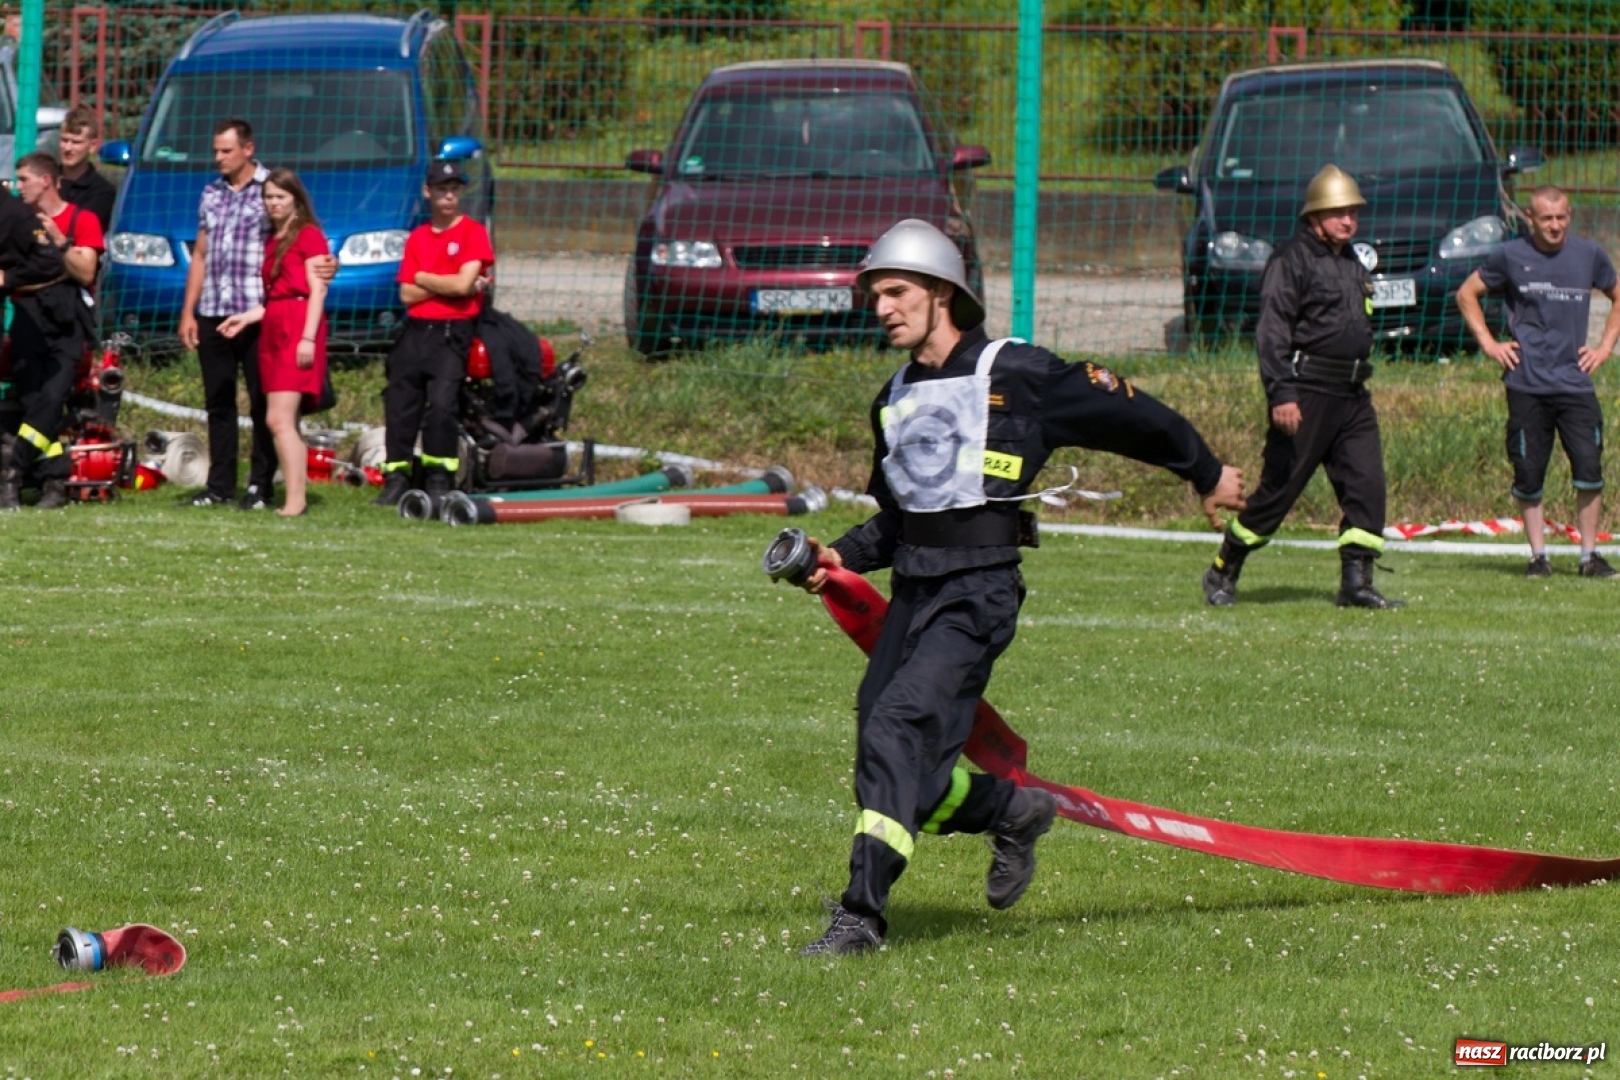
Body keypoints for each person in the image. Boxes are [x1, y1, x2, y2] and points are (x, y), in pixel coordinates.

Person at [791, 219, 1246, 956]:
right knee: (898, 771)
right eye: (875, 296)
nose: (882, 308)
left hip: (978, 593)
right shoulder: (892, 398)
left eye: (897, 292)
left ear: (942, 292)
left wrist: (1206, 469)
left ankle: (861, 917)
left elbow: (1129, 412)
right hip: (913, 592)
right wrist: (838, 555)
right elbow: (902, 519)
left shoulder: (1016, 373)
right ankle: (1012, 810)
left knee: (894, 728)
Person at [1200, 164, 1402, 610]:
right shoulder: (1290, 260)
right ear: (1315, 215)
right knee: (1277, 494)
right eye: (1338, 212)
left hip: (1353, 396)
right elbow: (1272, 331)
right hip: (1306, 393)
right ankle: (1223, 567)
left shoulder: (1350, 261)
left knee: (1367, 487)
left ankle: (1357, 584)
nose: (1348, 220)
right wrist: (1282, 394)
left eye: (1353, 212)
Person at [1455, 186, 1620, 578]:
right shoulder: (1510, 256)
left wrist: (1604, 348)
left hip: (1575, 384)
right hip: (1526, 383)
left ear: (1570, 216)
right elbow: (1466, 294)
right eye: (1546, 218)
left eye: (1561, 217)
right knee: (1528, 474)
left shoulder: (1589, 255)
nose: (1555, 225)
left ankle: (1589, 557)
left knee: (1589, 469)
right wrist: (1489, 344)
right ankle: (1538, 558)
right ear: (1530, 219)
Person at [177, 119, 336, 511]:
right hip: (214, 309)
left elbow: (304, 243)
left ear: (248, 149)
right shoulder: (211, 193)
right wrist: (189, 312)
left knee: (265, 404)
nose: (218, 158)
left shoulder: (271, 190)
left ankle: (260, 486)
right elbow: (201, 255)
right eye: (215, 150)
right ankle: (219, 486)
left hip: (260, 311)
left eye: (226, 150)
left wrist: (329, 265)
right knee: (218, 401)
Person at [373, 159, 492, 507]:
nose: (449, 196)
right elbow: (406, 295)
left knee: (442, 404)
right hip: (415, 330)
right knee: (400, 404)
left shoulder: (472, 232)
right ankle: (397, 477)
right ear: (428, 192)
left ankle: (439, 476)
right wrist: (447, 284)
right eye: (442, 189)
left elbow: (463, 285)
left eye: (455, 189)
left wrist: (424, 277)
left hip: (452, 332)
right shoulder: (418, 237)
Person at [217, 169, 329, 517]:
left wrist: (307, 337)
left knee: (278, 419)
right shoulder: (275, 238)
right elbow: (275, 296)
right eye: (268, 197)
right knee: (284, 420)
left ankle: (296, 500)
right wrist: (246, 317)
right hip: (274, 326)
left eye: (280, 196)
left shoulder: (308, 235)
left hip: (297, 325)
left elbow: (316, 290)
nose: (273, 203)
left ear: (296, 198)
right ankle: (294, 494)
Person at [0, 152, 101, 510]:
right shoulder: (16, 220)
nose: (18, 186)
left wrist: (60, 242)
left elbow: (86, 273)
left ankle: (12, 471)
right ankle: (55, 480)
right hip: (27, 315)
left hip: (66, 316)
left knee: (52, 397)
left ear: (45, 181)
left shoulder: (81, 218)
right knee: (33, 402)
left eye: (24, 179)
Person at [56, 104, 117, 233]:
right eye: (64, 140)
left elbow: (82, 229)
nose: (68, 148)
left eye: (76, 142)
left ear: (92, 146)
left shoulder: (102, 192)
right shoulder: (46, 180)